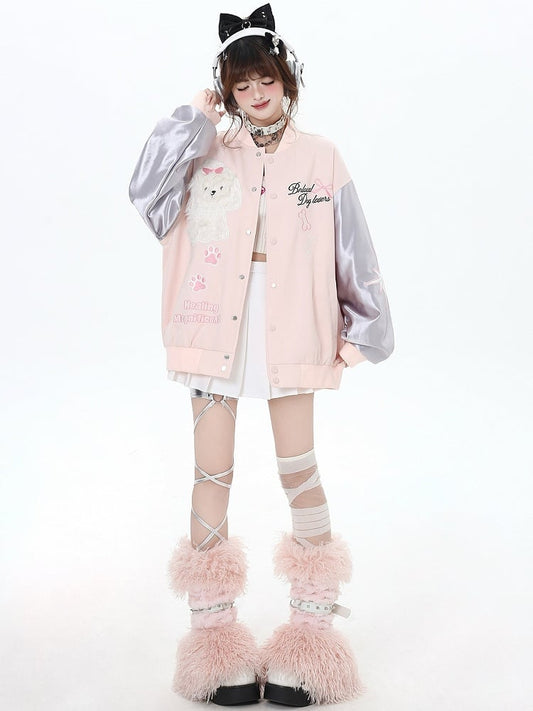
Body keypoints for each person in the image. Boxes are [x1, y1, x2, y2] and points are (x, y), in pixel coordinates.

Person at [128, 3, 394, 706]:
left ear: (286, 80)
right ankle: (214, 643)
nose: (255, 94)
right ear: (228, 90)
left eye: (265, 80)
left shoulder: (321, 157)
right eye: (240, 85)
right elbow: (146, 194)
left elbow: (353, 245)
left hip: (293, 329)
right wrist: (193, 118)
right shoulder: (205, 148)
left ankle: (312, 637)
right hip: (211, 329)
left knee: (298, 470)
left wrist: (365, 327)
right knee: (210, 472)